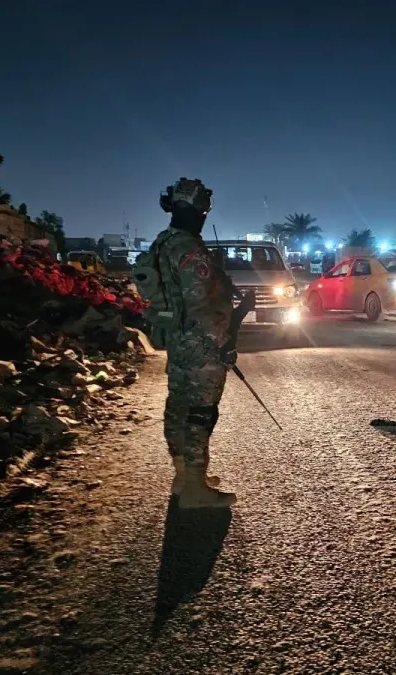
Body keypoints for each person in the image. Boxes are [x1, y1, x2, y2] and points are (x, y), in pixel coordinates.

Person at [145, 177, 239, 509]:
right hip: (201, 342)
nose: (203, 216)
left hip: (178, 338)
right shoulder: (188, 247)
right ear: (196, 209)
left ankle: (183, 477)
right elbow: (199, 300)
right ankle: (195, 488)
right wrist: (224, 339)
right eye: (202, 210)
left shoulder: (162, 242)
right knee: (201, 412)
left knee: (179, 406)